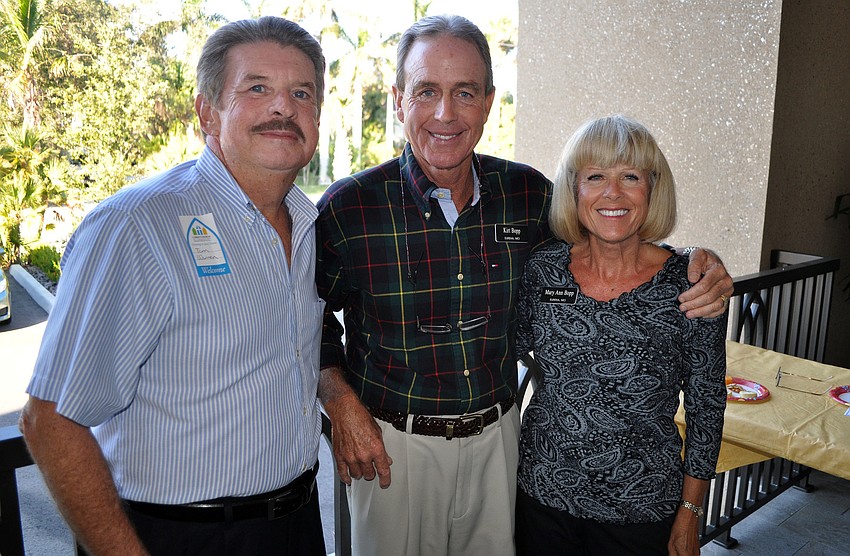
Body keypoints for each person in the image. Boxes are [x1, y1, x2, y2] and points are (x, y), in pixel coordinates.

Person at [316, 14, 732, 556]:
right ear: (399, 100)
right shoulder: (349, 209)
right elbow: (306, 318)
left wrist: (697, 258)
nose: (446, 113)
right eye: (427, 92)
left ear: (488, 102)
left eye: (464, 92)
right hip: (395, 449)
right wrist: (338, 399)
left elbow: (608, 231)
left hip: (500, 446)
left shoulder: (527, 196)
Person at [20, 17, 327, 555]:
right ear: (207, 112)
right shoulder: (139, 226)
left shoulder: (306, 224)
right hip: (180, 537)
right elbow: (50, 421)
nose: (283, 107)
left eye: (300, 93)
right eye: (257, 88)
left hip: (296, 525)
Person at [513, 115, 727, 556]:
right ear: (574, 190)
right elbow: (498, 351)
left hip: (642, 507)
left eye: (630, 176)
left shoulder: (691, 284)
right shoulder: (543, 270)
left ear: (653, 188)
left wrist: (691, 511)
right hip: (543, 496)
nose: (613, 193)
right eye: (595, 177)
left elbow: (707, 405)